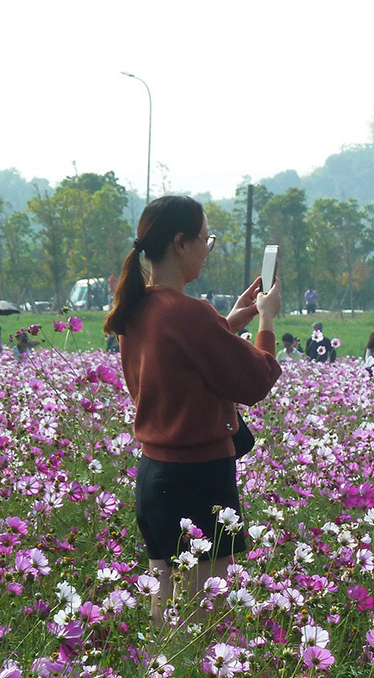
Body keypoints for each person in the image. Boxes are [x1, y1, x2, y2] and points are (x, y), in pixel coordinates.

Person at [103, 195, 282, 629]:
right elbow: (256, 380)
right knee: (206, 624)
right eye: (207, 238)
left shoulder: (139, 305)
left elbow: (180, 359)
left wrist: (229, 324)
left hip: (155, 476)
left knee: (165, 615)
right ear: (181, 243)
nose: (208, 247)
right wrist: (266, 322)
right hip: (197, 478)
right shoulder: (189, 313)